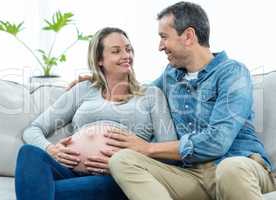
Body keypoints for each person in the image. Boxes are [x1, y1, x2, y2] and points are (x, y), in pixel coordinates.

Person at [68, 2, 276, 200]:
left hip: (240, 167)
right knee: (122, 160)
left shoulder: (232, 73)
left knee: (229, 169)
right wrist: (100, 79)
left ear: (188, 36)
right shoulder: (170, 76)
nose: (160, 46)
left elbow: (217, 141)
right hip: (192, 175)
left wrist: (148, 148)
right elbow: (139, 90)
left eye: (164, 37)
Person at [14, 27, 177, 200]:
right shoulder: (83, 90)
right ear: (99, 60)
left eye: (128, 49)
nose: (126, 55)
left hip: (118, 177)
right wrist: (52, 150)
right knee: (28, 153)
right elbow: (33, 130)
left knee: (41, 191)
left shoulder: (151, 94)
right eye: (116, 51)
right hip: (70, 171)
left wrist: (125, 164)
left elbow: (170, 153)